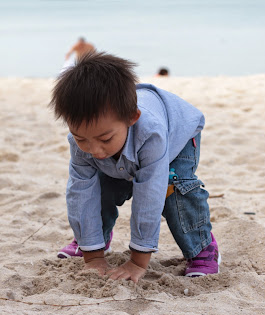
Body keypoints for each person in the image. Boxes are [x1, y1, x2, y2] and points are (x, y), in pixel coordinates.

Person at [50, 51, 221, 283]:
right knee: (99, 187)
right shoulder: (83, 143)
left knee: (174, 188)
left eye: (105, 139)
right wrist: (92, 256)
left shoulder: (151, 133)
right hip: (130, 144)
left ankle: (202, 247)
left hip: (176, 137)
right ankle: (96, 239)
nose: (95, 151)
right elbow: (80, 194)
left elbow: (149, 196)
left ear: (132, 117)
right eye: (81, 138)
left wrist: (138, 261)